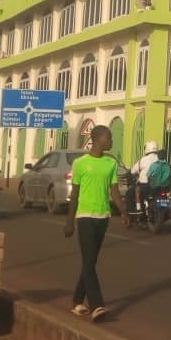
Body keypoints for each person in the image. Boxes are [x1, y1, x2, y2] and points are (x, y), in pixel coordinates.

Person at [64, 125, 118, 322]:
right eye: (109, 137)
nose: (111, 141)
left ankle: (77, 301)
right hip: (84, 216)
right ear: (99, 139)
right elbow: (75, 194)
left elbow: (114, 191)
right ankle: (97, 305)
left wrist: (125, 213)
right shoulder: (80, 163)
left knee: (90, 262)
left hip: (103, 216)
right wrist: (69, 222)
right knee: (88, 261)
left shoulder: (110, 163)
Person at [129, 140, 159, 213]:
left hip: (146, 185)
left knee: (135, 191)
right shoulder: (160, 159)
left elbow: (133, 171)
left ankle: (138, 209)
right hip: (159, 185)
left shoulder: (143, 160)